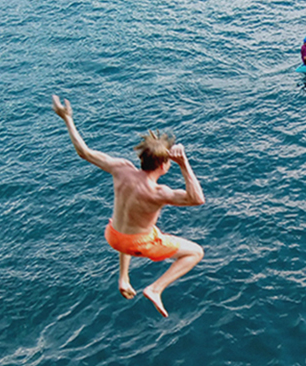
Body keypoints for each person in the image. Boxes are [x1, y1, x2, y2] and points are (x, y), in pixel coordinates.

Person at [52, 95, 205, 318]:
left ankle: (123, 277)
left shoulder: (121, 168)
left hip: (114, 237)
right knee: (195, 252)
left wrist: (67, 118)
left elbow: (84, 152)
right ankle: (155, 288)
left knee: (137, 226)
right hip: (137, 244)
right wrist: (184, 164)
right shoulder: (158, 193)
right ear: (163, 165)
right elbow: (197, 199)